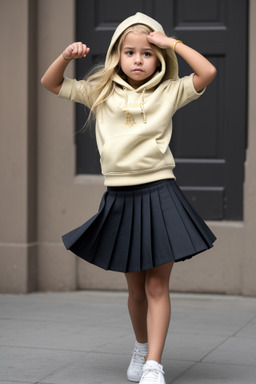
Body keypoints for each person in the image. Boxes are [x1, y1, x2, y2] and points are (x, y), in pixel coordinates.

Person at [41, 12, 217, 384]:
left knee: (157, 285)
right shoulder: (100, 92)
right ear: (116, 56)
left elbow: (207, 74)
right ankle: (141, 347)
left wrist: (174, 44)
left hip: (161, 193)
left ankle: (154, 363)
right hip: (120, 198)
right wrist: (65, 57)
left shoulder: (168, 92)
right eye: (129, 52)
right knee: (136, 289)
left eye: (147, 53)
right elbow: (51, 83)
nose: (138, 59)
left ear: (159, 59)